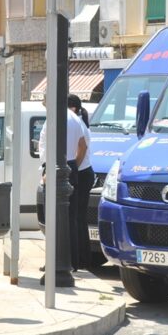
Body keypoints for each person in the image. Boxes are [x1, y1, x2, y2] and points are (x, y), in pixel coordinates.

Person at [38, 94, 88, 269]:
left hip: (55, 167)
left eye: (45, 98)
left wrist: (49, 172)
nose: (43, 102)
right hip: (69, 166)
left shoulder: (56, 119)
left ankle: (55, 262)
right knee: (70, 219)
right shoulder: (73, 118)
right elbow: (83, 146)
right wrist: (73, 167)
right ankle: (72, 261)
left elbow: (49, 147)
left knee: (53, 219)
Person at [68, 94, 95, 270]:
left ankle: (82, 258)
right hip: (82, 172)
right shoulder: (76, 122)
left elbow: (82, 148)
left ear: (74, 108)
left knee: (77, 218)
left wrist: (73, 169)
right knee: (77, 217)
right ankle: (81, 257)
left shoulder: (78, 124)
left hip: (83, 173)